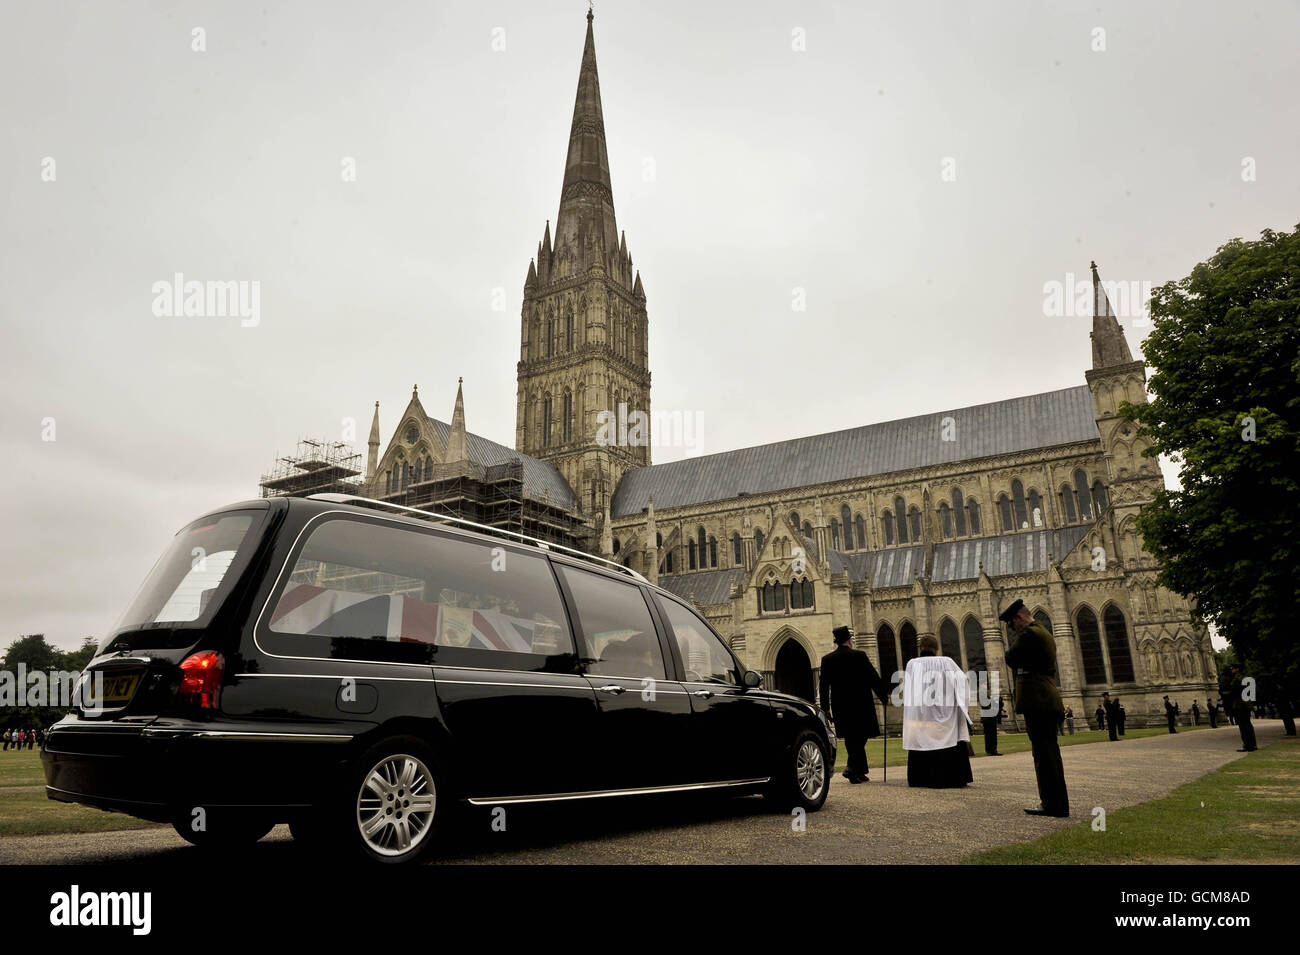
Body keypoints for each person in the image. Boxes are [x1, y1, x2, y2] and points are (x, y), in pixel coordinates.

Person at [1001, 599, 1069, 817]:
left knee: (1043, 754)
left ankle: (1052, 804)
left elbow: (1010, 658)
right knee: (1050, 753)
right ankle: (1057, 802)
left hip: (1038, 700)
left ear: (1019, 618)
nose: (1013, 630)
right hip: (1046, 698)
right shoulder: (1043, 631)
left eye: (1012, 625)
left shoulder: (1029, 634)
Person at [819, 625, 890, 784]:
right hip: (861, 703)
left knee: (852, 737)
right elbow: (873, 677)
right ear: (849, 641)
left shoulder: (827, 660)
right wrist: (884, 697)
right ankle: (851, 768)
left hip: (840, 705)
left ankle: (858, 771)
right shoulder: (859, 655)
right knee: (860, 736)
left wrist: (826, 708)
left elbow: (823, 687)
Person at [902, 633, 973, 788]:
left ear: (920, 647)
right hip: (945, 713)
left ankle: (921, 778)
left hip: (922, 714)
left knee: (923, 740)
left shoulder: (912, 664)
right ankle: (952, 778)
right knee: (948, 739)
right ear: (936, 648)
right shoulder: (947, 662)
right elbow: (962, 683)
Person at [1226, 662, 1257, 752]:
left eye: (1233, 668)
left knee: (1243, 726)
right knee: (1248, 725)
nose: (1232, 670)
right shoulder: (1246, 678)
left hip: (1240, 704)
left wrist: (1226, 694)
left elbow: (1235, 691)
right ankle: (1252, 744)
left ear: (1237, 669)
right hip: (1246, 703)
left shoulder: (1238, 679)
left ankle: (1247, 745)